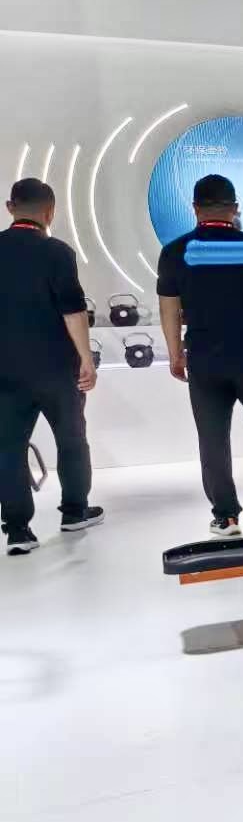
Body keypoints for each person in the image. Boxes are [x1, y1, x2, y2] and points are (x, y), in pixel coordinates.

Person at [157, 173, 243, 537]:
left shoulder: (175, 252)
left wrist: (175, 353)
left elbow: (169, 308)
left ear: (194, 209)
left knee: (212, 437)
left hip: (204, 358)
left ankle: (225, 516)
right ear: (235, 208)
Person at [0, 178, 102, 555]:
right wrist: (86, 357)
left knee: (8, 447)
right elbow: (73, 310)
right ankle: (75, 511)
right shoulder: (58, 252)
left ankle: (17, 530)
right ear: (50, 212)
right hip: (57, 367)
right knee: (71, 439)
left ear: (10, 208)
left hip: (5, 369)